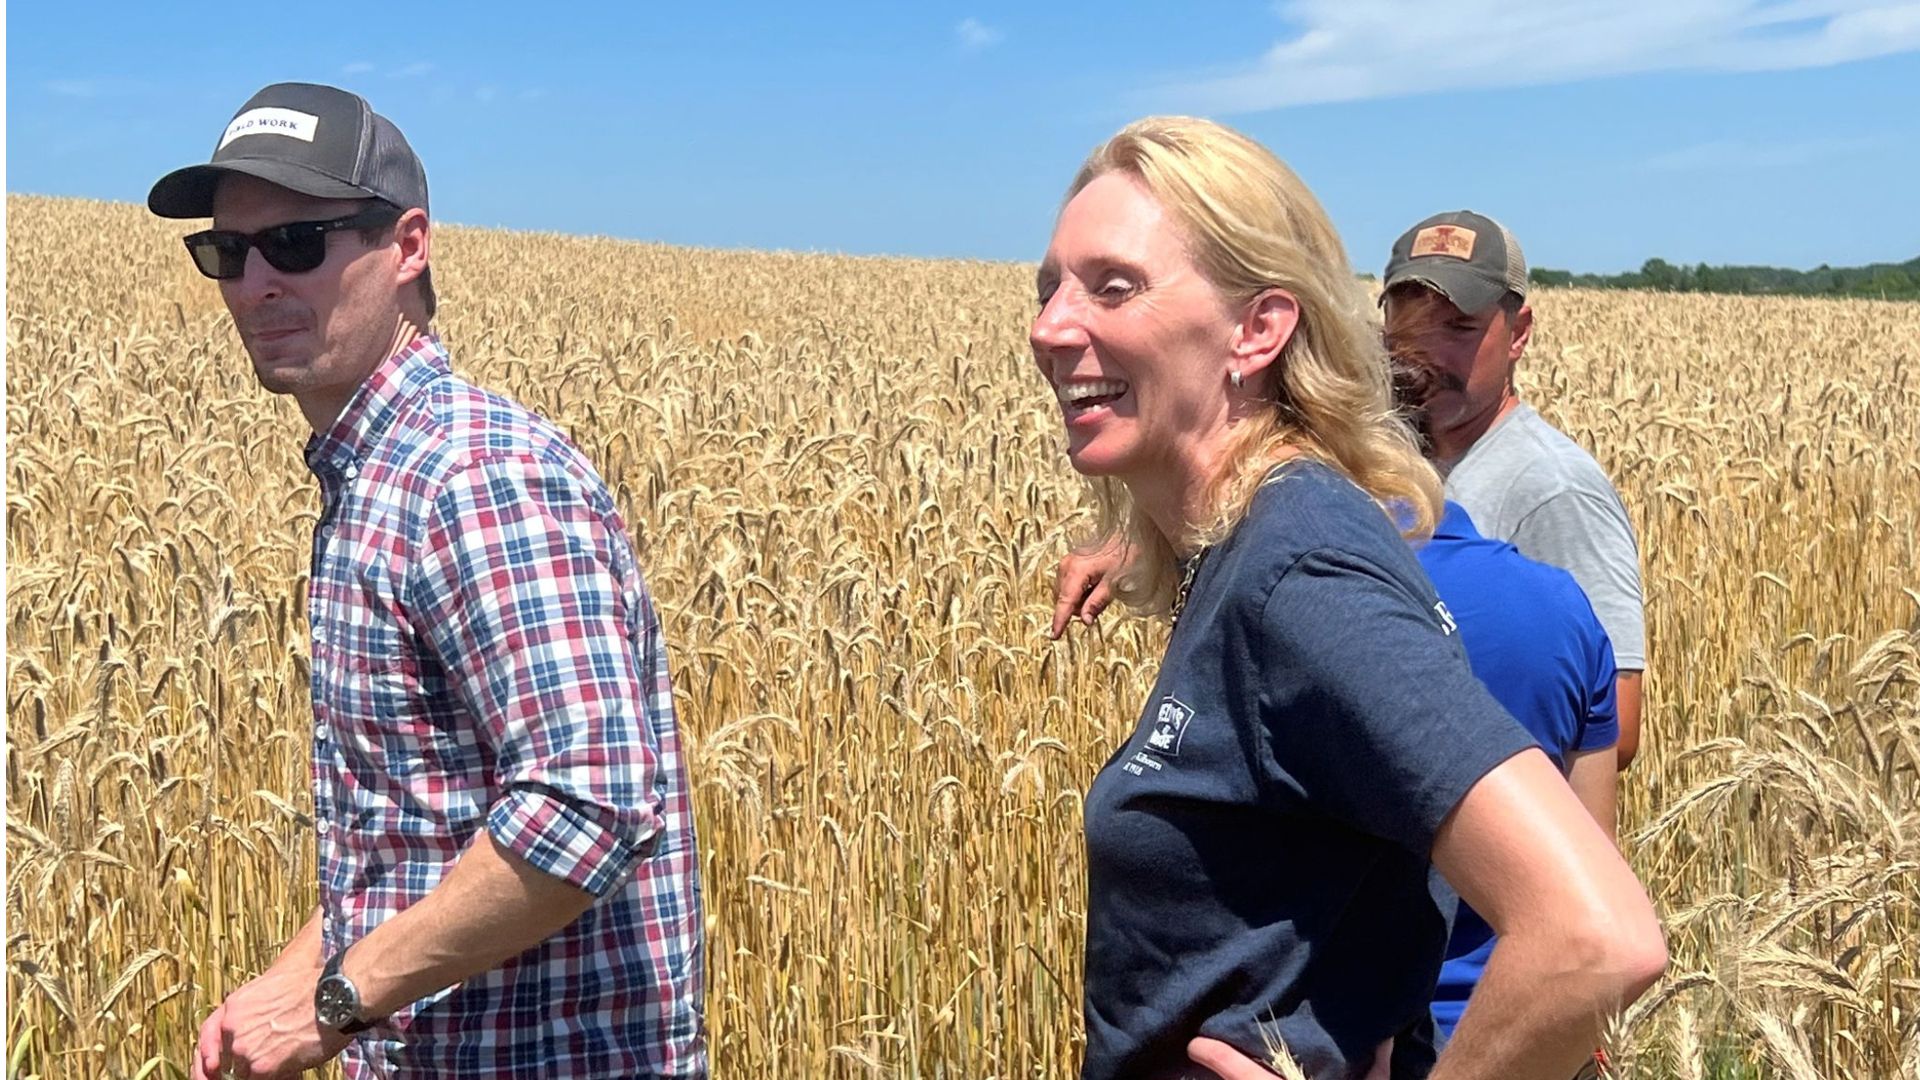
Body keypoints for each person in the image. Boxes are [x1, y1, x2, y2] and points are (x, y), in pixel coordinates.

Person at [1032, 116, 1664, 1080]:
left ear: (1258, 329)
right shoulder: (1254, 545)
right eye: (1052, 288)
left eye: (1114, 287)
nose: (1051, 326)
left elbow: (1595, 936)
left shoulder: (1300, 567)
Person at [149, 82, 704, 1079]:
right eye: (226, 252)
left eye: (298, 244)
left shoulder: (473, 477)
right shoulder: (377, 479)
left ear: (408, 246)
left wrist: (336, 1003)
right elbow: (429, 827)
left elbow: (587, 807)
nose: (254, 284)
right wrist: (303, 970)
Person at [1388, 354, 1621, 1053]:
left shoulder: (1295, 599)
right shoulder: (1562, 604)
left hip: (1354, 1042)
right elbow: (1594, 864)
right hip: (1525, 1036)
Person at [1379, 212, 1647, 770]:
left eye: (1459, 329)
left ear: (1518, 333)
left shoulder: (1553, 491)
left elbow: (1615, 727)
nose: (1426, 353)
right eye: (1408, 327)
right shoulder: (1386, 462)